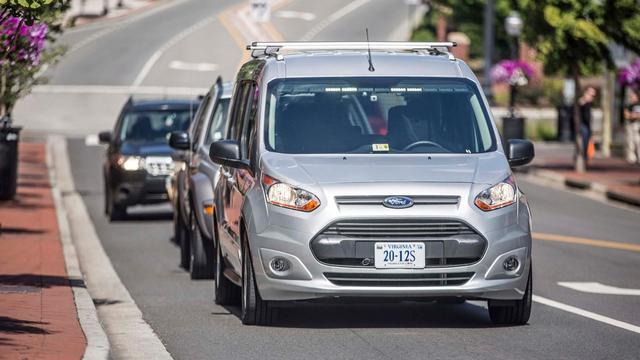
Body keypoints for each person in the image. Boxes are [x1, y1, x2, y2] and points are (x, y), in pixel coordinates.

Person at [578, 86, 597, 161]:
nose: (592, 97)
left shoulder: (590, 103)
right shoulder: (582, 101)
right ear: (586, 93)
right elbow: (579, 103)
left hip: (588, 125)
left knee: (588, 141)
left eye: (593, 95)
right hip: (583, 125)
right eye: (591, 94)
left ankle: (585, 157)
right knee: (584, 142)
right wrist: (585, 100)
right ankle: (583, 157)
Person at [623, 89, 640, 164]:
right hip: (630, 125)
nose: (632, 97)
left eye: (633, 96)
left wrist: (633, 115)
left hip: (637, 125)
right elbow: (626, 115)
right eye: (631, 96)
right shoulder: (628, 105)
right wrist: (633, 115)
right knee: (630, 141)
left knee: (638, 141)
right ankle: (631, 158)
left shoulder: (639, 105)